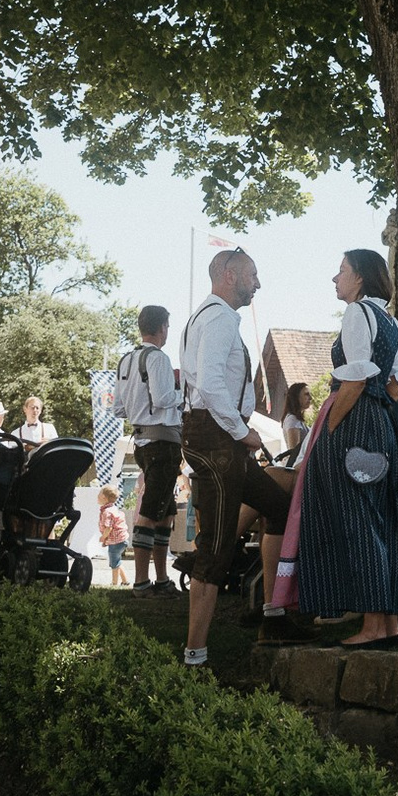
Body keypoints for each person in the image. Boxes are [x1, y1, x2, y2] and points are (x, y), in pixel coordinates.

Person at [296, 248, 398, 647]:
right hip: (381, 426)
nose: (335, 278)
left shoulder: (356, 313)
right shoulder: (391, 322)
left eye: (342, 270)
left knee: (357, 520)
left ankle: (370, 627)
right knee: (382, 520)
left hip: (354, 422)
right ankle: (389, 627)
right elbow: (395, 387)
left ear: (361, 277)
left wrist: (331, 430)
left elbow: (354, 381)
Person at [178, 250, 286, 667]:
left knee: (280, 506)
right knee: (215, 552)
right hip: (218, 438)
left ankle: (274, 616)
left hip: (218, 436)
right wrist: (243, 433)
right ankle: (195, 658)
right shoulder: (219, 317)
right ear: (229, 275)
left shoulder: (206, 317)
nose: (258, 283)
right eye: (253, 275)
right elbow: (208, 383)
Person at [117, 305, 181, 594]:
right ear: (163, 328)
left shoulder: (125, 360)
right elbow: (165, 398)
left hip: (141, 442)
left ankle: (161, 579)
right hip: (162, 441)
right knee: (150, 512)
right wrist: (184, 387)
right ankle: (141, 581)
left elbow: (119, 408)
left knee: (165, 511)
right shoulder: (158, 358)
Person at [97, 484, 130, 585]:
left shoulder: (107, 512)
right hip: (121, 540)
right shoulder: (113, 508)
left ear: (104, 497)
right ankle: (125, 581)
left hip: (116, 541)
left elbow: (109, 527)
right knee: (117, 561)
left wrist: (103, 537)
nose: (97, 496)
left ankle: (114, 583)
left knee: (114, 564)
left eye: (99, 494)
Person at [281, 383, 313, 454]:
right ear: (297, 397)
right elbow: (294, 451)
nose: (310, 398)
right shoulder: (292, 420)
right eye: (306, 394)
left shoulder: (296, 420)